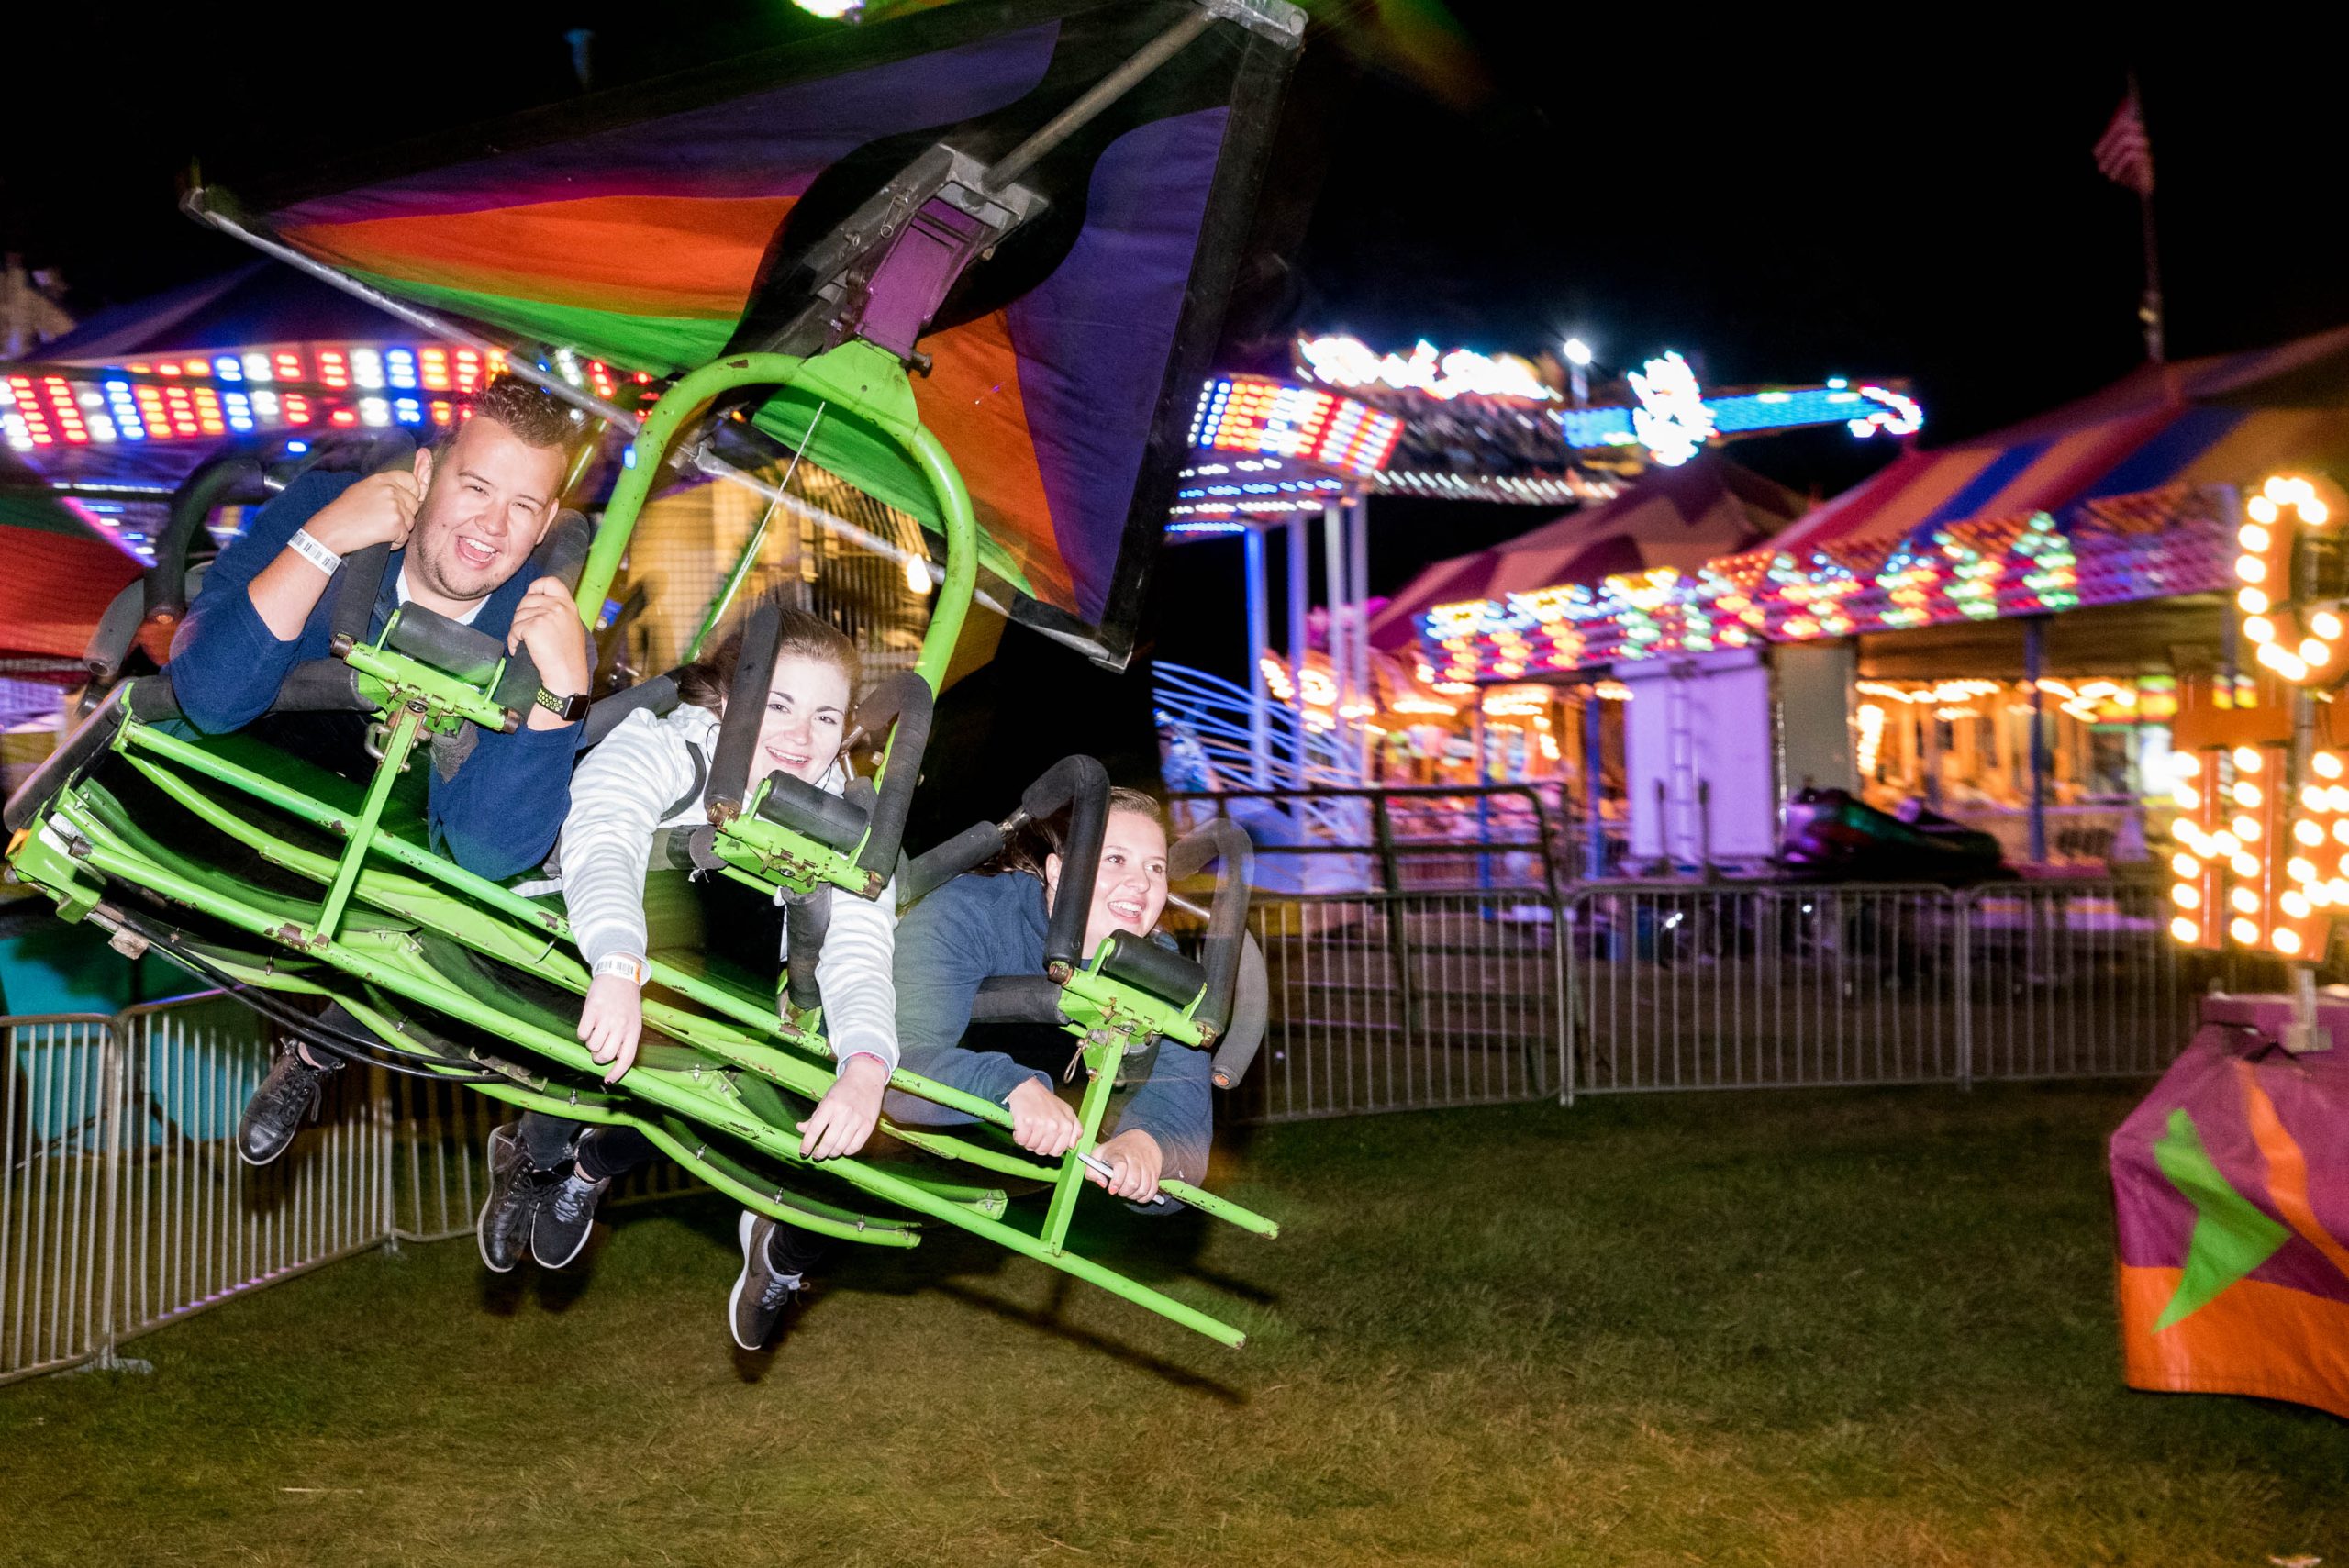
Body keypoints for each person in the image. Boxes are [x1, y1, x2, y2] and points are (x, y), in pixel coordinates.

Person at [181, 378, 595, 1165]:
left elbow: (489, 852)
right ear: (429, 472)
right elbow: (207, 696)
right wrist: (323, 538)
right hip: (254, 796)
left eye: (522, 507)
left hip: (402, 875)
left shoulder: (543, 631)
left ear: (545, 522)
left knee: (498, 924)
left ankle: (315, 1049)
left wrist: (564, 699)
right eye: (475, 487)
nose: (492, 526)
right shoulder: (333, 505)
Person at [476, 604, 897, 1352]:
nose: (803, 737)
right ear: (729, 696)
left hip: (706, 1000)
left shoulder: (846, 819)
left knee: (732, 1072)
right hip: (589, 944)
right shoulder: (670, 744)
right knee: (610, 1026)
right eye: (779, 704)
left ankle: (583, 1169)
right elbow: (604, 831)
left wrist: (866, 1065)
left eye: (826, 717)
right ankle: (536, 1158)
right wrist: (615, 960)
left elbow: (862, 948)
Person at [885, 787, 1210, 1207]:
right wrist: (1009, 1085)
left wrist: (1147, 1146)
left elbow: (1183, 1120)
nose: (1141, 883)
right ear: (1058, 871)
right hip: (892, 1133)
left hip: (1016, 1171)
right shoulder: (971, 912)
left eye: (1156, 867)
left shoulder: (1158, 968)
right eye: (1115, 859)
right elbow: (887, 1064)